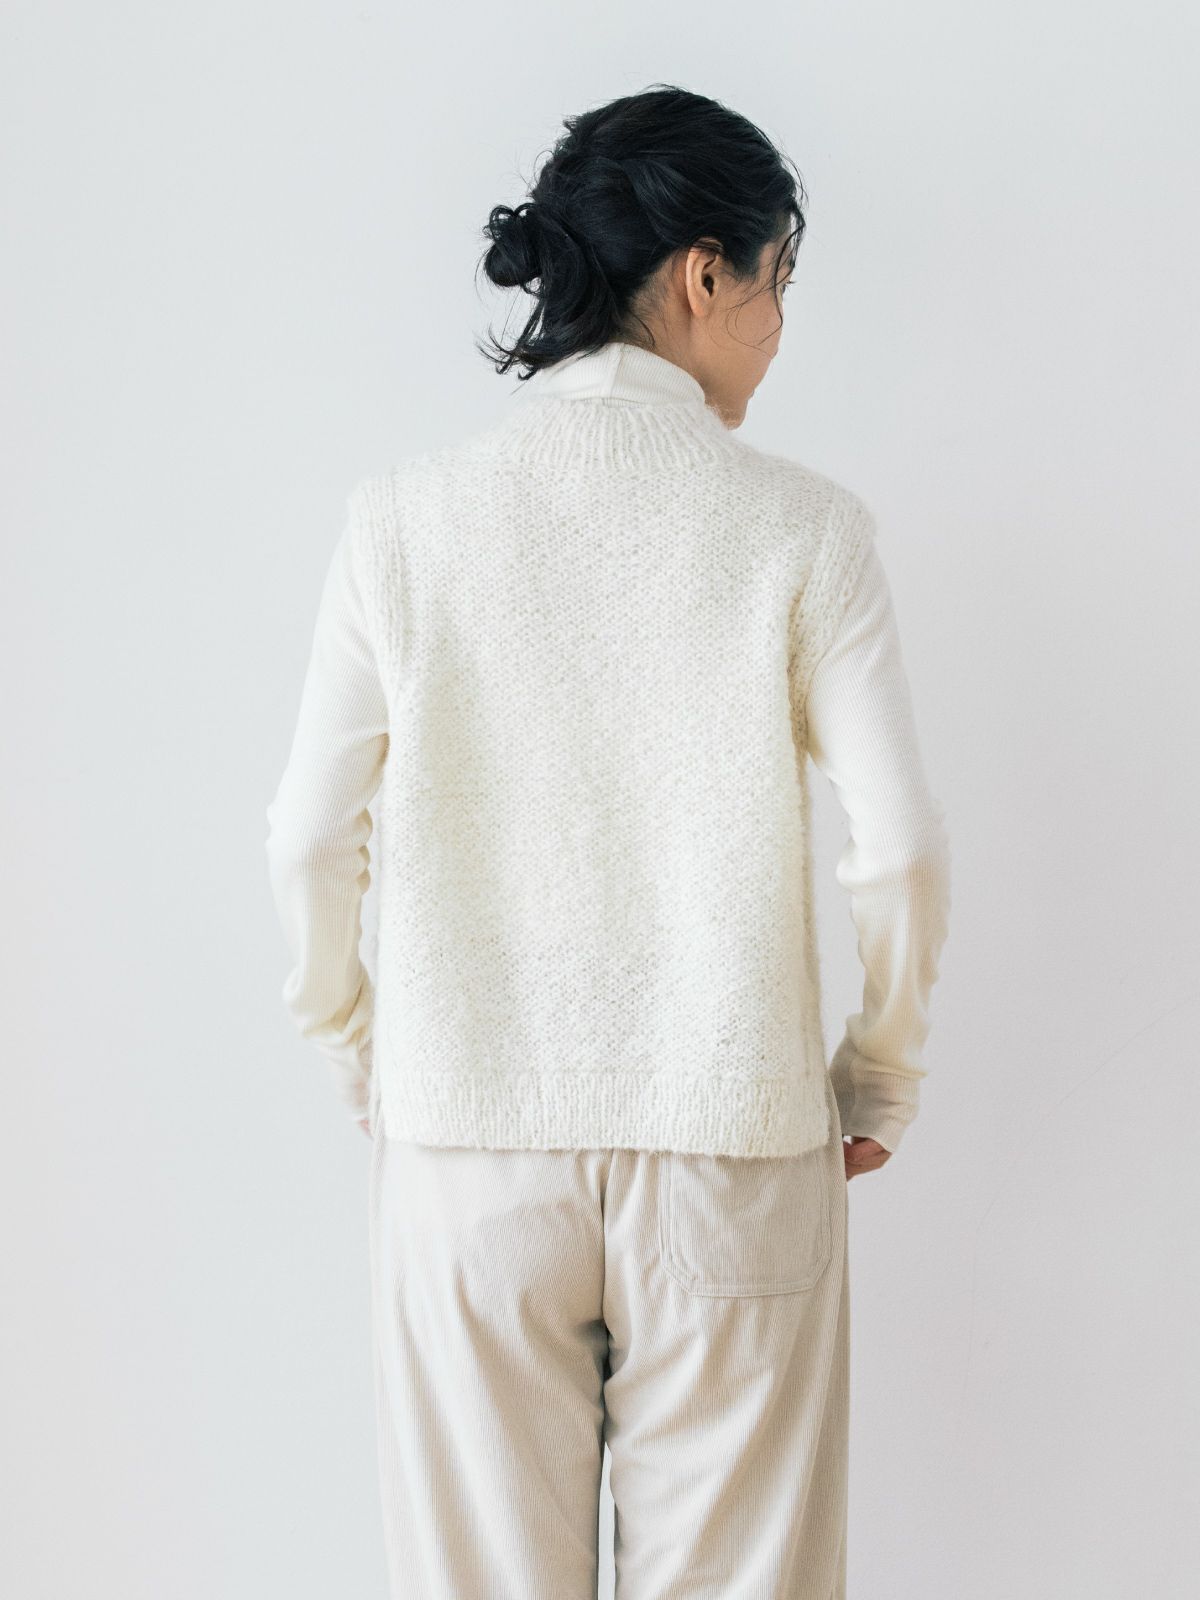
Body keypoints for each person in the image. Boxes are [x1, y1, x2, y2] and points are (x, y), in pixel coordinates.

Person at [265, 83, 951, 1600]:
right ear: (705, 275)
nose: (782, 325)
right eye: (778, 279)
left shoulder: (402, 521)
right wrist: (882, 1070)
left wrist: (360, 1046)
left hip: (468, 1145)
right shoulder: (805, 530)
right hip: (732, 1145)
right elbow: (900, 845)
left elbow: (308, 834)